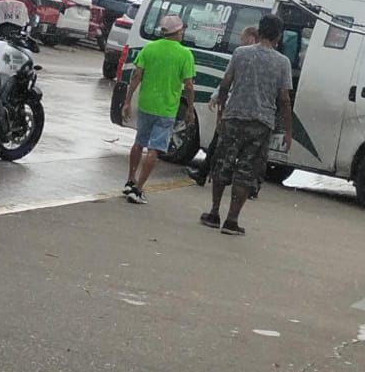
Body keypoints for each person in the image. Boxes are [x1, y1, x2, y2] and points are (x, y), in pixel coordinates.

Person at [202, 13, 292, 236]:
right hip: (261, 123)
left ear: (260, 31)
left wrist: (222, 111)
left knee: (222, 164)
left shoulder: (240, 53)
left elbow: (225, 84)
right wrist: (288, 130)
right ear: (279, 36)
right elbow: (284, 100)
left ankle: (214, 213)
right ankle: (232, 221)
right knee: (246, 171)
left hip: (234, 117)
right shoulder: (282, 62)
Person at [122, 13, 195, 205]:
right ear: (178, 32)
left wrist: (128, 101)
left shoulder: (149, 48)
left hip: (146, 104)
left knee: (139, 142)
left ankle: (130, 179)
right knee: (154, 149)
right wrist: (190, 108)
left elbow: (136, 75)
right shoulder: (185, 54)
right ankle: (138, 189)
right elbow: (188, 85)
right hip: (167, 109)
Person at [187, 24, 259, 188]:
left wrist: (218, 98)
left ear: (251, 38)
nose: (240, 42)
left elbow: (229, 79)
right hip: (252, 112)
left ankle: (209, 174)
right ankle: (249, 184)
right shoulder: (264, 57)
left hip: (235, 110)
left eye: (242, 39)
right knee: (247, 149)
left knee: (220, 143)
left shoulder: (242, 55)